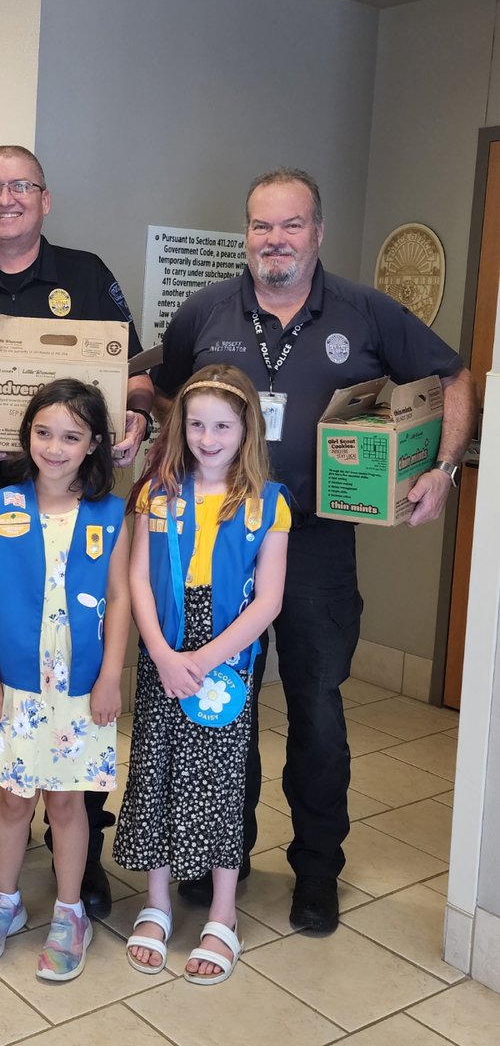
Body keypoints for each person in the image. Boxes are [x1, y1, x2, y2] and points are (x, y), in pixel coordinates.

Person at [153, 168, 476, 933]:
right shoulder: (205, 311)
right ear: (247, 235)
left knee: (316, 711)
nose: (276, 241)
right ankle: (214, 848)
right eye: (262, 227)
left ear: (318, 232)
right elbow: (164, 391)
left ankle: (317, 872)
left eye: (291, 225)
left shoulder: (365, 313)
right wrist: (159, 440)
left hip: (318, 549)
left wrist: (443, 468)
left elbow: (454, 375)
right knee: (217, 708)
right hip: (221, 542)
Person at [0, 145, 153, 916]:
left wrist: (136, 415)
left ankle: (83, 831)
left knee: (81, 656)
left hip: (81, 505)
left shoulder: (86, 275)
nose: (6, 198)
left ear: (45, 199)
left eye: (21, 187)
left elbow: (133, 369)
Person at [114, 365, 289, 983]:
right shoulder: (157, 490)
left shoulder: (269, 502)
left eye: (222, 425)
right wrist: (162, 653)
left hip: (225, 656)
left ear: (247, 429)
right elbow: (137, 576)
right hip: (166, 644)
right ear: (178, 426)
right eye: (195, 425)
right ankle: (157, 902)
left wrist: (206, 659)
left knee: (219, 783)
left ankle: (222, 914)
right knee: (157, 769)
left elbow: (268, 600)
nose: (208, 438)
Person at [0, 379, 130, 981]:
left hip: (79, 685)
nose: (55, 447)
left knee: (66, 802)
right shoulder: (2, 506)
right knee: (10, 798)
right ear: (26, 434)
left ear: (94, 446)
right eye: (44, 433)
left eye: (72, 436)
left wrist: (111, 677)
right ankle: (5, 900)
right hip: (15, 686)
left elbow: (119, 598)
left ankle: (69, 912)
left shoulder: (110, 515)